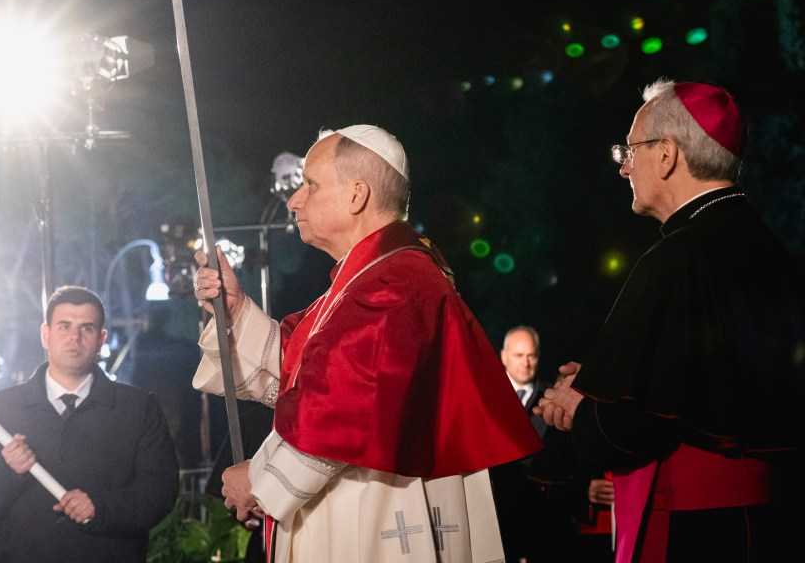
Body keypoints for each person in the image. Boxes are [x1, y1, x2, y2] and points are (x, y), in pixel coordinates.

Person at [194, 125, 542, 563]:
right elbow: (305, 368)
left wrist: (261, 481)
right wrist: (236, 308)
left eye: (311, 185)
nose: (295, 199)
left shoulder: (397, 281)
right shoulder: (367, 276)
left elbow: (343, 403)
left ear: (357, 195)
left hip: (381, 510)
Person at [535, 80, 805, 562]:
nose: (623, 167)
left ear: (666, 155)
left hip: (699, 531)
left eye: (630, 150)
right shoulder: (771, 249)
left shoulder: (676, 259)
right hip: (776, 524)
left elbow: (638, 425)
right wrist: (599, 387)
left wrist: (580, 409)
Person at [0, 285, 178, 563]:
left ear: (101, 339)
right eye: (64, 326)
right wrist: (10, 471)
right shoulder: (2, 408)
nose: (74, 338)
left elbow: (160, 494)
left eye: (86, 328)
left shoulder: (138, 408)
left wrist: (100, 508)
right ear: (45, 334)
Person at [490, 326, 579, 562]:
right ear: (503, 356)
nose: (526, 363)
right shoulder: (486, 402)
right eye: (519, 355)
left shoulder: (557, 398)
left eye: (531, 356)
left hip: (547, 521)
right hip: (499, 520)